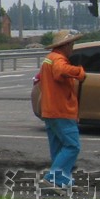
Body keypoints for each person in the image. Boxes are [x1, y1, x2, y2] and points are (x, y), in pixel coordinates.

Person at [39, 30, 86, 190]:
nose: (73, 47)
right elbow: (61, 71)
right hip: (60, 110)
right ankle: (52, 178)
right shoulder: (58, 59)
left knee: (59, 147)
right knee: (72, 146)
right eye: (72, 44)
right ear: (65, 45)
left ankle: (62, 180)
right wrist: (79, 72)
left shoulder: (49, 59)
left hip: (50, 110)